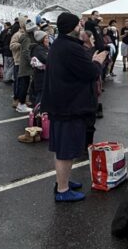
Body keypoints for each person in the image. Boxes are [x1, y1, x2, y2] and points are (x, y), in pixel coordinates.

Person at [41, 12, 107, 202]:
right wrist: (97, 61)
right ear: (72, 28)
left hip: (61, 104)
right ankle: (62, 190)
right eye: (78, 25)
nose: (81, 28)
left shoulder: (60, 45)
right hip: (68, 106)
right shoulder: (70, 48)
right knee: (66, 150)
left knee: (64, 148)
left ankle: (64, 181)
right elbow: (90, 73)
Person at [28, 28, 49, 108]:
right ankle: (37, 114)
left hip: (43, 76)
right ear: (41, 39)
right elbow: (46, 59)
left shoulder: (43, 48)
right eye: (46, 38)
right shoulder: (38, 49)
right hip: (41, 77)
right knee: (40, 96)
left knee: (42, 96)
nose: (48, 40)